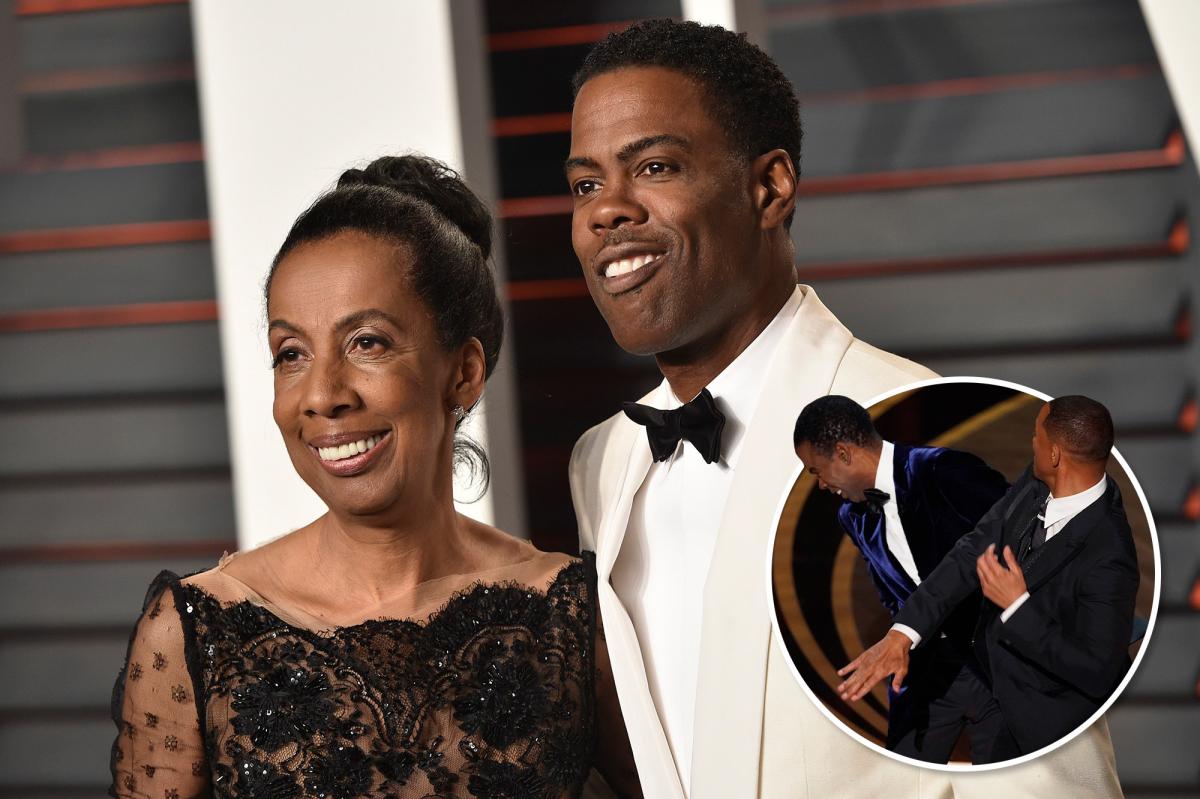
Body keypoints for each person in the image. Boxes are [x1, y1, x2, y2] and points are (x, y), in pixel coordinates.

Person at [565, 18, 1124, 798]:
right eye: (585, 185)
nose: (606, 212)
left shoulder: (933, 433)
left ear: (770, 187)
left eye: (654, 166)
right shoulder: (601, 461)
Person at [109, 155, 640, 798]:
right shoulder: (197, 631)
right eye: (291, 354)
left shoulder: (572, 618)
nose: (322, 395)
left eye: (367, 342)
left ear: (464, 373)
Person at [838, 396, 1139, 761]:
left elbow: (1097, 671)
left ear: (1055, 454)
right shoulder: (1038, 481)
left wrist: (1017, 607)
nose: (1032, 442)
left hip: (1046, 729)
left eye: (1036, 435)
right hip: (989, 681)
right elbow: (972, 549)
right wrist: (903, 633)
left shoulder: (1110, 555)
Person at [793, 395, 1010, 763]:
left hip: (997, 662)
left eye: (816, 471)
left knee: (1003, 781)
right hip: (924, 669)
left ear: (843, 454)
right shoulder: (852, 516)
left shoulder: (942, 469)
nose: (822, 486)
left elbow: (1022, 539)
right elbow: (891, 594)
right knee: (901, 779)